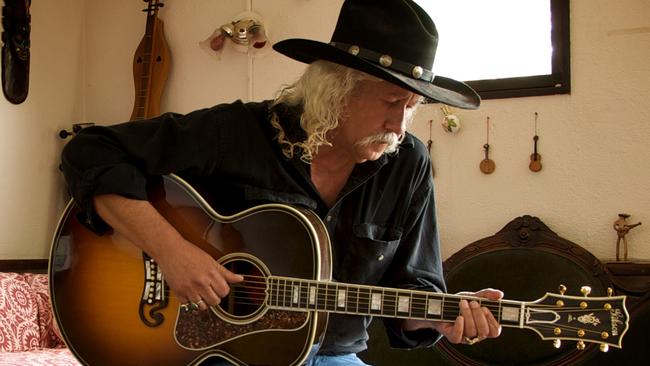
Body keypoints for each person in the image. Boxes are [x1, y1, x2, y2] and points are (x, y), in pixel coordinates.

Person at [60, 0, 503, 365]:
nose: (400, 126)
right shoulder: (238, 132)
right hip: (216, 353)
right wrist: (172, 252)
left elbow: (412, 289)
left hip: (332, 355)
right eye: (391, 101)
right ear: (337, 87)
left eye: (412, 106)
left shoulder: (408, 164)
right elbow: (90, 151)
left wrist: (441, 317)